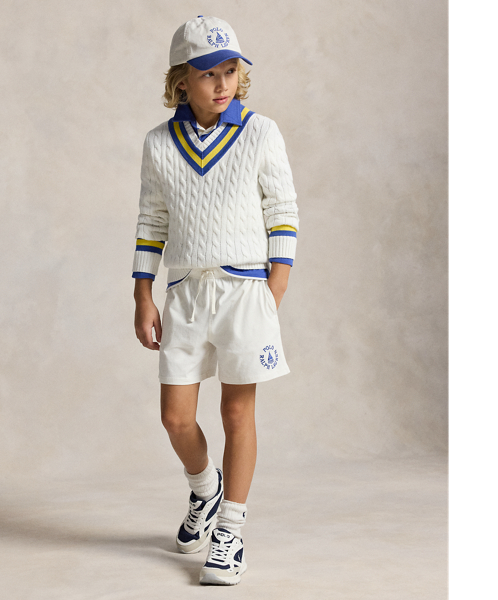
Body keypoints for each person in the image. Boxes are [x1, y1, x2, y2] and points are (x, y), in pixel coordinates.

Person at [132, 15, 299, 586]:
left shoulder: (260, 132)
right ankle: (205, 489)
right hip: (185, 293)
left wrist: (275, 287)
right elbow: (152, 221)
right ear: (181, 80)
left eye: (230, 70)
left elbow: (282, 211)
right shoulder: (159, 143)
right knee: (175, 417)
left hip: (246, 291)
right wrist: (143, 293)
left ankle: (230, 530)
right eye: (208, 74)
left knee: (236, 412)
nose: (222, 83)